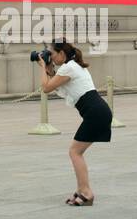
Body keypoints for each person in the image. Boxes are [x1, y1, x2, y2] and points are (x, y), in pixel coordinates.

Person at [36, 39, 112, 206]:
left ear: (62, 54)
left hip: (95, 113)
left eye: (52, 54)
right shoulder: (71, 66)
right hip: (97, 112)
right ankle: (81, 190)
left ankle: (86, 192)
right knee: (76, 152)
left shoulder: (69, 67)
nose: (50, 57)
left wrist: (43, 67)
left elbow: (46, 88)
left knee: (74, 152)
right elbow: (55, 83)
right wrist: (49, 69)